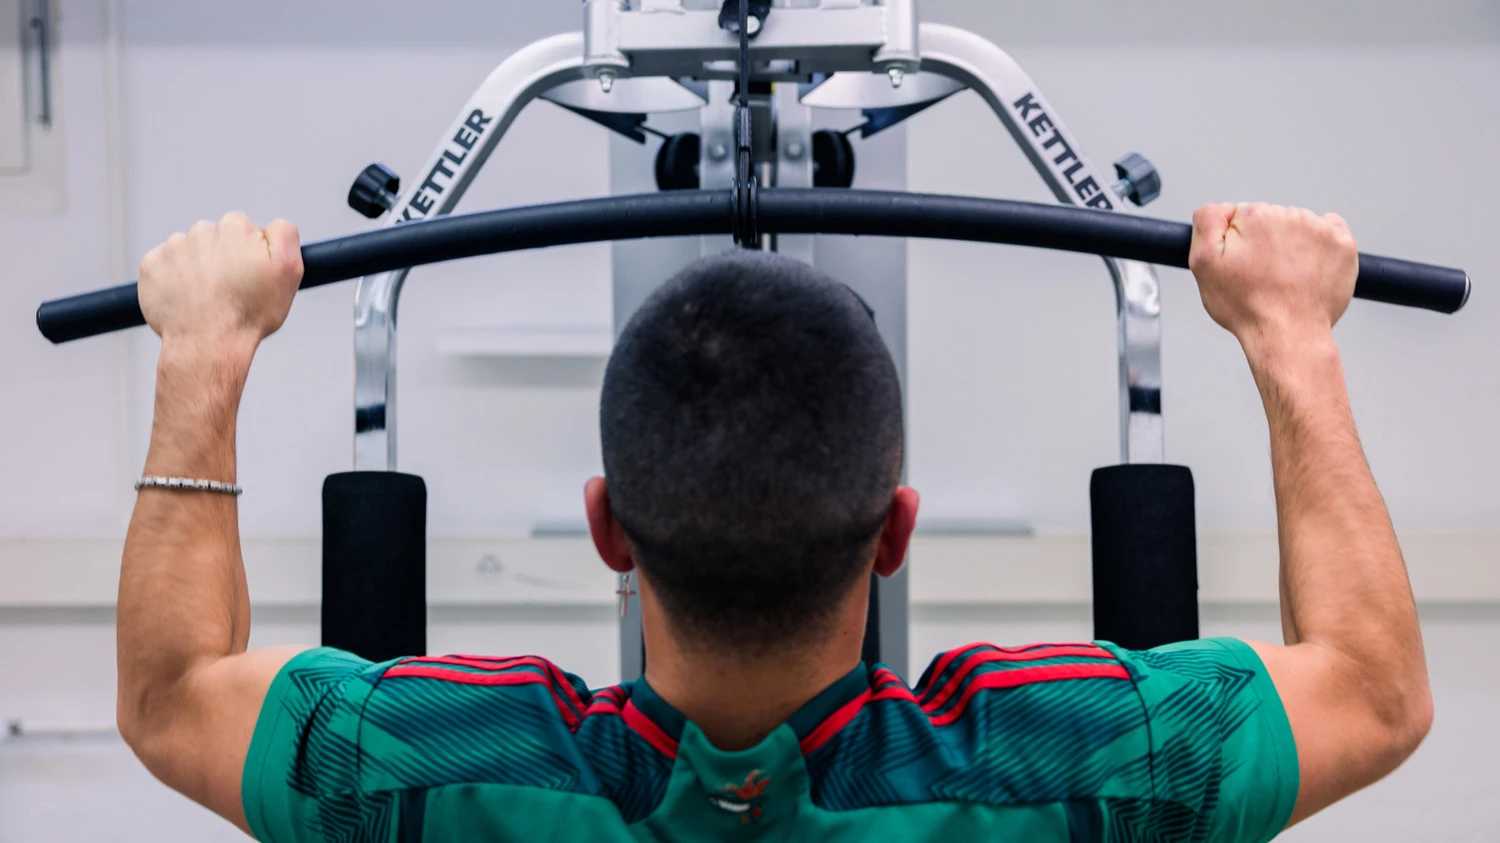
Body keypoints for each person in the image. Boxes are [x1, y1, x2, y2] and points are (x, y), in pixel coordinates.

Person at [114, 203, 1431, 842]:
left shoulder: (444, 773)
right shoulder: (1084, 763)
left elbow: (173, 693)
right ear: (894, 530)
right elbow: (1373, 690)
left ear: (608, 528)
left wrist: (207, 350)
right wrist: (1288, 329)